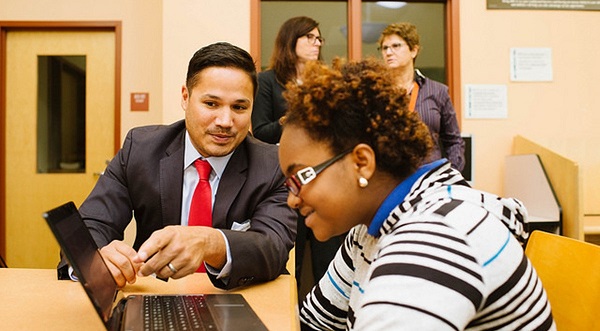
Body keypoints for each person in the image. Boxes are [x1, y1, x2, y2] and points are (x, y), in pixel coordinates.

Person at [278, 58, 555, 330]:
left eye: (300, 177)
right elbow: (312, 323)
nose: (292, 198)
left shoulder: (438, 235)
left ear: (362, 162)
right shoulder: (367, 232)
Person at [57, 42, 297, 290]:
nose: (226, 121)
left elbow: (273, 247)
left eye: (239, 107)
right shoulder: (140, 148)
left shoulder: (272, 166)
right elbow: (92, 223)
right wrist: (96, 259)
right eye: (211, 104)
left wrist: (209, 242)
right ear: (185, 97)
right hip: (153, 296)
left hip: (238, 299)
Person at [251, 16, 344, 291]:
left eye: (319, 38)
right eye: (309, 38)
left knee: (329, 263)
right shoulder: (267, 80)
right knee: (291, 264)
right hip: (284, 181)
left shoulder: (326, 81)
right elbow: (261, 131)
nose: (317, 44)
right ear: (291, 41)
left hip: (325, 178)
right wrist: (295, 117)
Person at [378, 22, 465, 171]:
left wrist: (450, 176)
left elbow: (454, 141)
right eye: (385, 48)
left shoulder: (438, 91)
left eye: (396, 46)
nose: (388, 52)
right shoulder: (377, 92)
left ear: (414, 50)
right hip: (389, 181)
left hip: (429, 180)